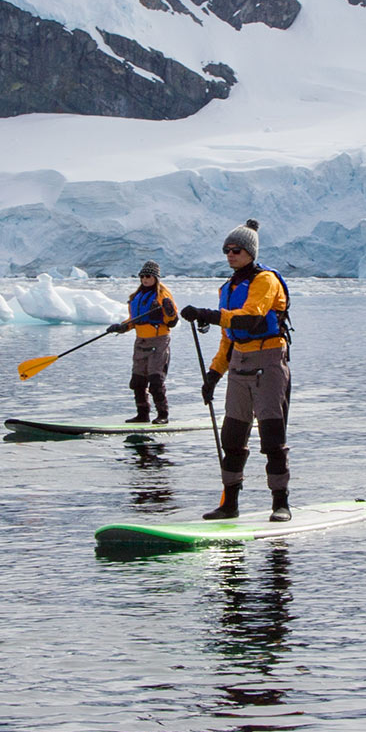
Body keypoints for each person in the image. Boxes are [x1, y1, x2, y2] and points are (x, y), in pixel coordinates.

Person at [179, 219, 293, 522]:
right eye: (227, 250)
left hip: (268, 362)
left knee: (271, 438)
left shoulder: (265, 281)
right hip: (239, 366)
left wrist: (207, 314)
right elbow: (228, 338)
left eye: (237, 250)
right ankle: (229, 504)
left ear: (250, 252)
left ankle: (280, 504)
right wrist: (214, 375)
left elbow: (250, 320)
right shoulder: (228, 287)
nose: (230, 255)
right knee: (231, 438)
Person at [108, 261, 178, 423]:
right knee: (138, 381)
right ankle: (143, 413)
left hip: (158, 341)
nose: (145, 279)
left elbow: (172, 321)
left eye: (148, 276)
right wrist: (121, 327)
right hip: (141, 342)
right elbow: (133, 320)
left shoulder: (163, 296)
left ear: (155, 278)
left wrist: (168, 311)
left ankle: (163, 415)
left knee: (155, 380)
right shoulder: (136, 297)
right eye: (142, 276)